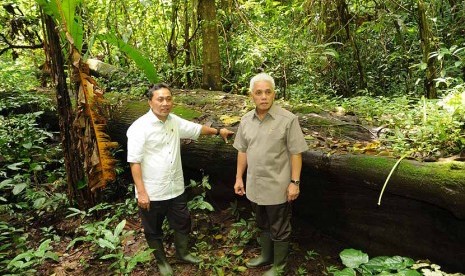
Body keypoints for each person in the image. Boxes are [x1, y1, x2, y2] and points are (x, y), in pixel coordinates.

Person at [127, 83, 234, 276]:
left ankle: (182, 253)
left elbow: (196, 129)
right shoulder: (138, 128)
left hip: (175, 187)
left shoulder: (173, 121)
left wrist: (219, 132)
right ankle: (162, 262)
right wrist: (141, 193)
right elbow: (134, 162)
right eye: (160, 99)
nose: (165, 103)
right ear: (150, 102)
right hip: (152, 191)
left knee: (182, 221)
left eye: (168, 99)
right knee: (153, 228)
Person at [233, 73, 308, 275]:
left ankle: (279, 266)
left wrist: (295, 182)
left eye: (268, 92)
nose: (264, 97)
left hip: (278, 186)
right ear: (251, 96)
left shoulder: (288, 119)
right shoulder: (246, 120)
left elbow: (296, 153)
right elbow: (242, 150)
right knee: (262, 223)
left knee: (280, 227)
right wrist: (239, 177)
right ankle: (266, 256)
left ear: (274, 94)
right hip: (254, 185)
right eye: (259, 93)